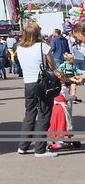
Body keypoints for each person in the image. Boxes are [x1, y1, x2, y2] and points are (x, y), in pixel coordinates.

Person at [16, 23, 58, 157]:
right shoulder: (43, 46)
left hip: (28, 83)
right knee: (44, 114)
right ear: (37, 34)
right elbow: (52, 65)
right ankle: (40, 149)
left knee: (29, 113)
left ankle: (23, 146)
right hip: (42, 83)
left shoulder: (19, 48)